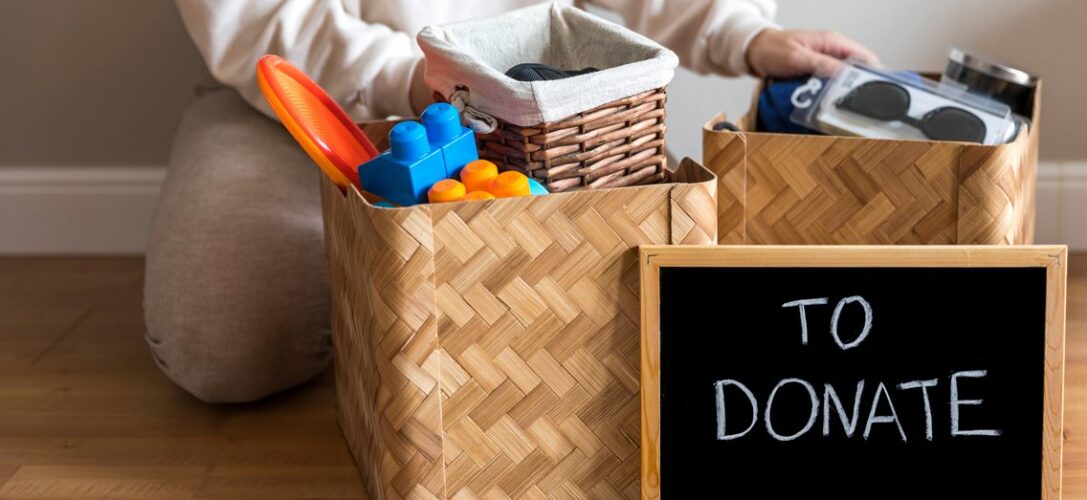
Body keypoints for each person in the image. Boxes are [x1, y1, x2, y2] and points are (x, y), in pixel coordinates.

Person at [146, 0, 879, 403]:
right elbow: (254, 15)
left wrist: (746, 36)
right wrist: (431, 85)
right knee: (228, 338)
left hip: (546, 102)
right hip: (309, 89)